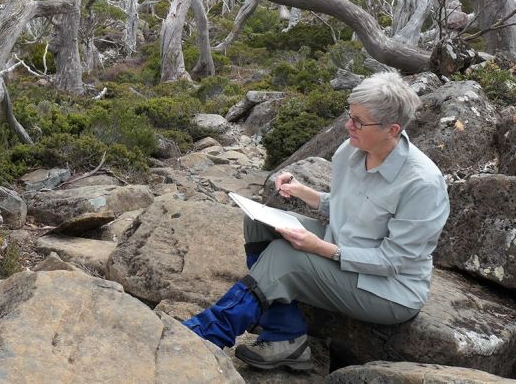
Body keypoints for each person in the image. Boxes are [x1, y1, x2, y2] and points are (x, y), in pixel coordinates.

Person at [182, 72, 450, 371]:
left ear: (392, 129)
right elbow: (347, 206)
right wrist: (302, 192)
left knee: (287, 257)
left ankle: (202, 336)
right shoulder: (351, 151)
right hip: (342, 245)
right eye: (350, 115)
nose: (349, 125)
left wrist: (323, 249)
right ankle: (286, 336)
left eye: (359, 121)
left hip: (389, 289)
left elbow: (392, 261)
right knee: (259, 222)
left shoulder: (422, 184)